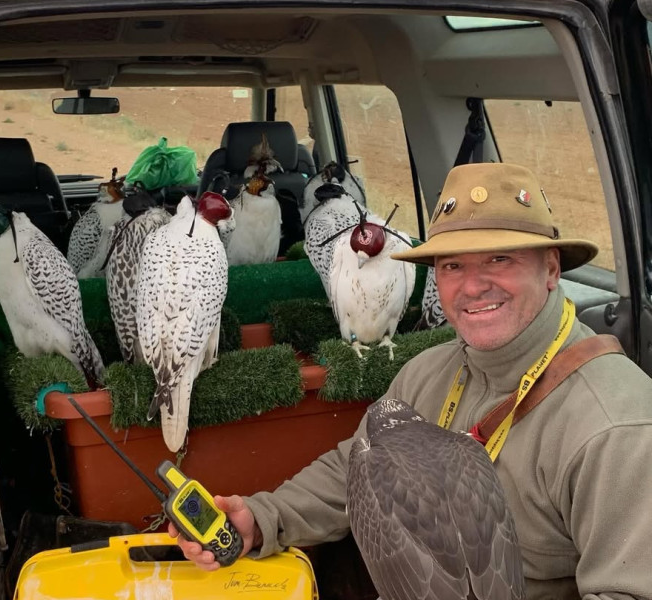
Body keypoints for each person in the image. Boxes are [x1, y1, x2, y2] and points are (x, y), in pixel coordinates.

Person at [169, 162, 652, 599]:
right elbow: (360, 466)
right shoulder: (431, 370)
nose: (472, 285)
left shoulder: (615, 424)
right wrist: (263, 519)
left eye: (500, 259)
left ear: (550, 270)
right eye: (452, 265)